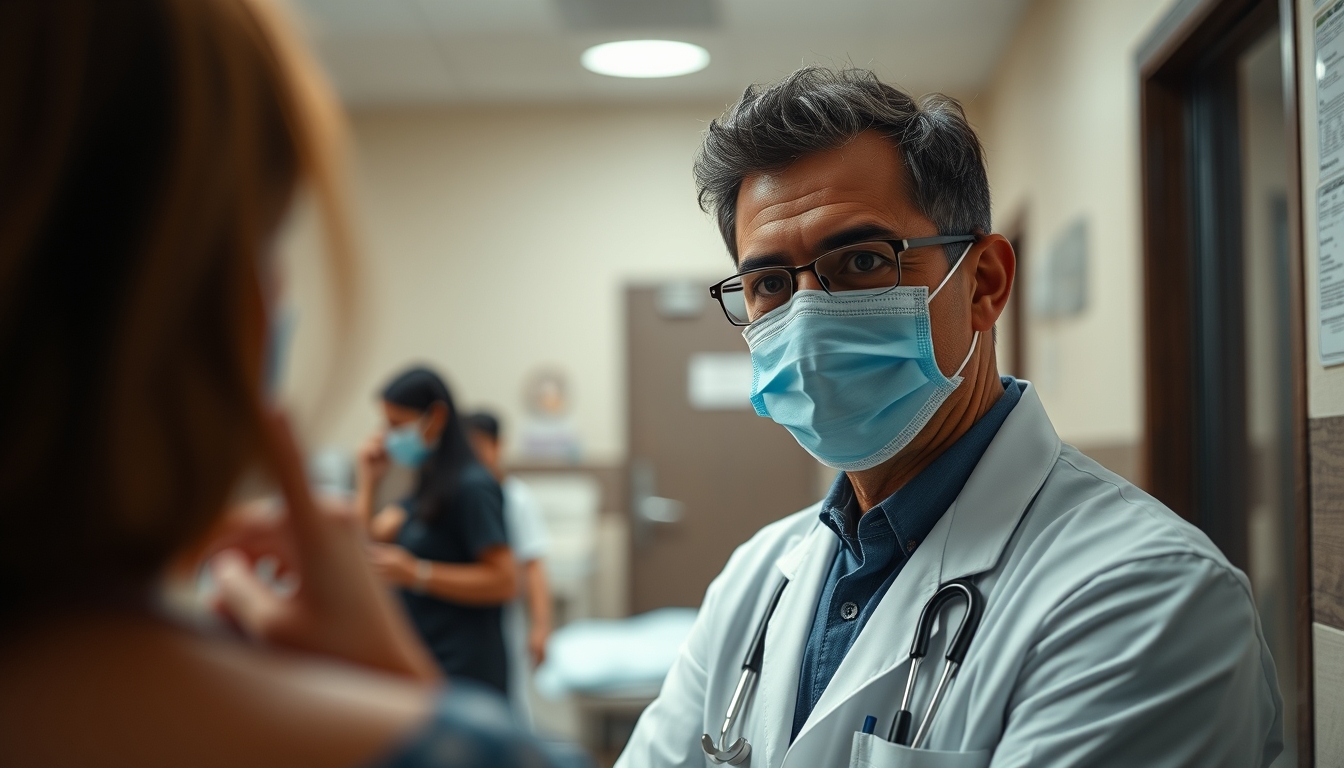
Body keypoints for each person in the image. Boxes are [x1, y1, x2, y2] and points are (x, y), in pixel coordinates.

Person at [616, 67, 1283, 767]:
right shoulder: (755, 582)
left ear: (984, 284)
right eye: (770, 284)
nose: (807, 318)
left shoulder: (1147, 597)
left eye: (863, 260)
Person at [0, 2, 567, 766]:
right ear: (238, 313)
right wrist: (433, 726)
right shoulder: (448, 746)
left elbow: (497, 576)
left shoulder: (467, 487)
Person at [356, 369, 518, 696]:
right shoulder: (429, 486)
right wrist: (369, 481)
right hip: (429, 662)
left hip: (466, 670)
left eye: (397, 424)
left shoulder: (473, 486)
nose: (387, 436)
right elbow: (362, 547)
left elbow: (504, 580)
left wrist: (417, 573)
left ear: (436, 417)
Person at [463, 411, 554, 725]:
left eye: (480, 447)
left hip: (505, 619)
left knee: (511, 703)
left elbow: (533, 566)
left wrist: (541, 627)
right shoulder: (460, 498)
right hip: (469, 622)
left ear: (498, 446)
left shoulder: (517, 499)